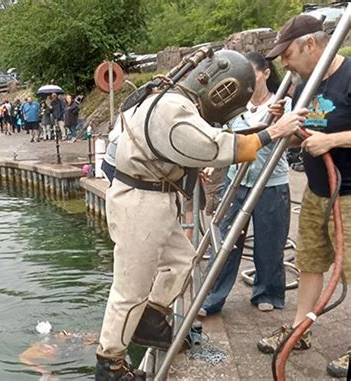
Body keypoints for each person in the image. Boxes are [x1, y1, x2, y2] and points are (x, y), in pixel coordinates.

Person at [95, 49, 308, 380]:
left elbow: (186, 146)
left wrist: (190, 165)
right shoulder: (172, 108)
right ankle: (110, 364)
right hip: (140, 202)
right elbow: (218, 146)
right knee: (129, 289)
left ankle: (151, 319)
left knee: (182, 261)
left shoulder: (167, 97)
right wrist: (272, 132)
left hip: (153, 197)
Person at [256, 15, 351, 378]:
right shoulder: (302, 86)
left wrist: (333, 140)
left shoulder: (349, 75)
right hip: (316, 191)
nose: (284, 63)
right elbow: (301, 139)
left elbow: (324, 138)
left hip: (349, 195)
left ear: (311, 45)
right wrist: (283, 127)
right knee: (310, 263)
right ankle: (300, 330)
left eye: (288, 54)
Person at [200, 52, 292, 316]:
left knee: (270, 242)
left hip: (271, 181)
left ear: (265, 73)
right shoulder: (234, 104)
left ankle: (268, 293)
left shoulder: (281, 102)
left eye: (251, 73)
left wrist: (280, 122)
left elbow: (294, 139)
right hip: (236, 179)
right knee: (228, 238)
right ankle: (212, 298)